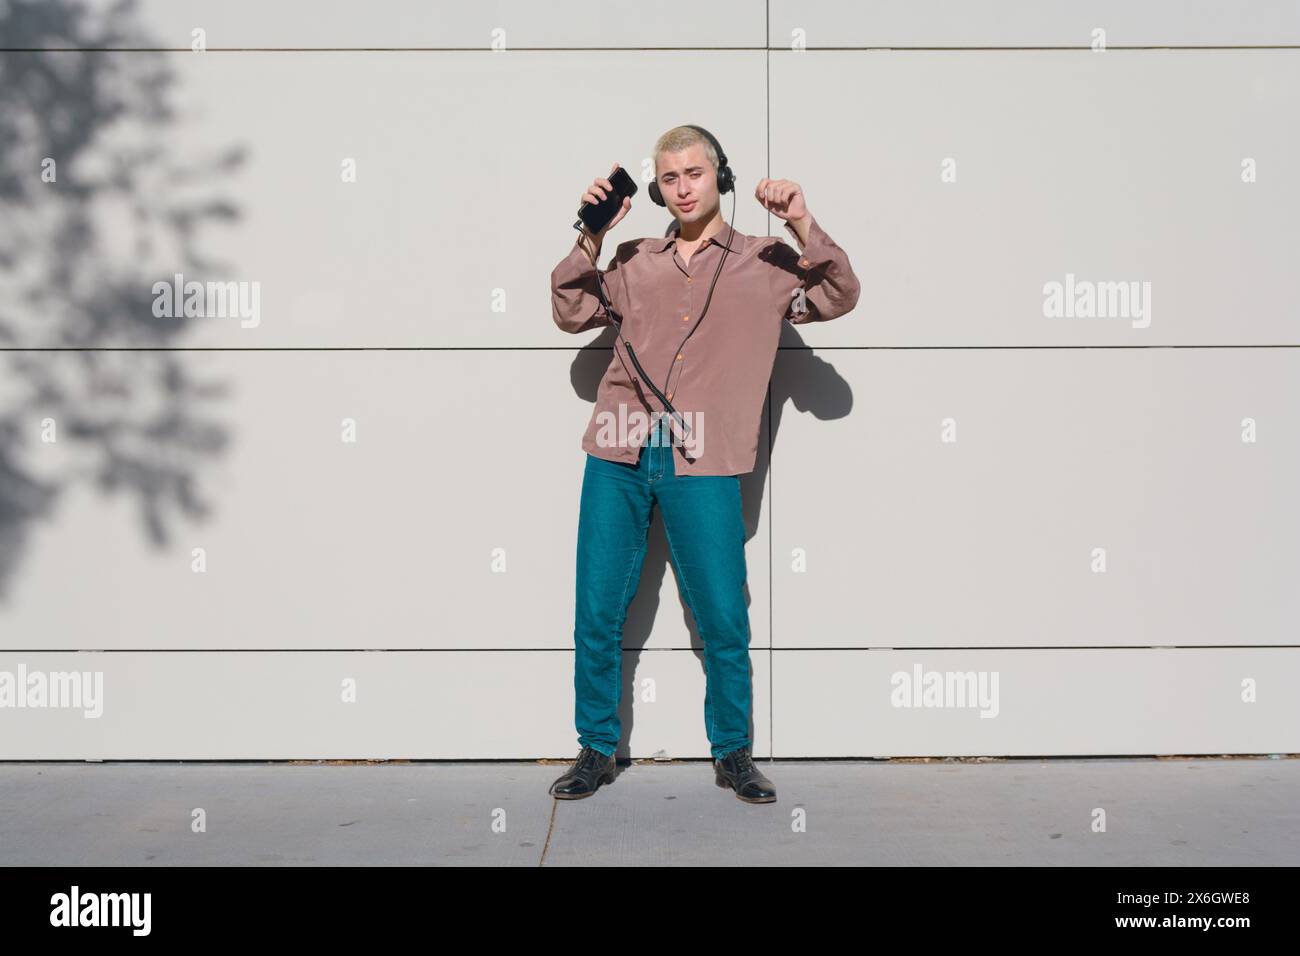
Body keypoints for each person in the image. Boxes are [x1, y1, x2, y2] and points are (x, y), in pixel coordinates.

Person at [547, 125, 861, 803]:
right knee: (597, 607)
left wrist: (803, 221)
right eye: (669, 178)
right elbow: (570, 309)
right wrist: (590, 235)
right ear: (655, 189)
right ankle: (595, 747)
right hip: (620, 443)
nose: (682, 187)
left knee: (721, 611)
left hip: (704, 450)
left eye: (694, 173)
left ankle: (733, 752)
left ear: (720, 176)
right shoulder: (634, 260)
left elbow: (837, 294)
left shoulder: (767, 261)